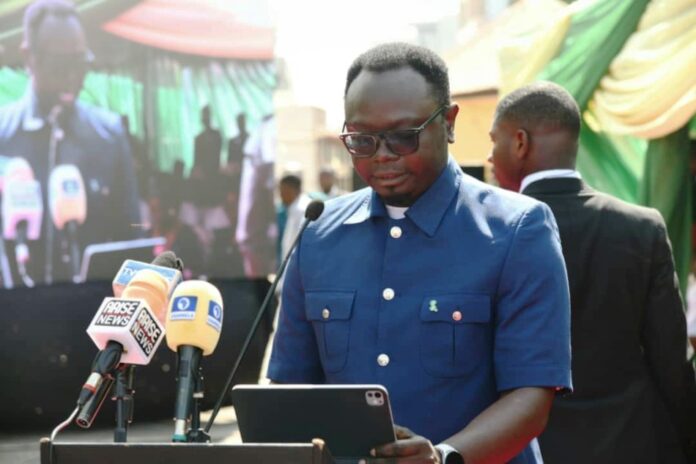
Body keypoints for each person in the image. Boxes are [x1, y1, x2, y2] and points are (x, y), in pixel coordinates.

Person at [267, 43, 572, 464]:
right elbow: (291, 387)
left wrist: (444, 456)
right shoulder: (319, 234)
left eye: (403, 137)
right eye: (362, 140)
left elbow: (533, 395)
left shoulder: (517, 230)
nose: (383, 155)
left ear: (448, 123)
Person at [488, 81, 696, 463]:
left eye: (493, 141)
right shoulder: (642, 227)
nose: (489, 156)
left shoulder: (489, 234)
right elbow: (671, 360)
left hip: (526, 449)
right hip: (631, 445)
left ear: (519, 142)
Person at [0, 0, 140, 285]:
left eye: (80, 63)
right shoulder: (3, 136)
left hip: (94, 319)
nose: (72, 76)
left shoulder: (109, 135)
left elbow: (131, 240)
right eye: (59, 65)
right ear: (29, 57)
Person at [192, 104, 222, 178]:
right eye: (204, 115)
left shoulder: (217, 135)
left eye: (207, 115)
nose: (206, 118)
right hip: (202, 175)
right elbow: (196, 160)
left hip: (214, 173)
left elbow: (217, 154)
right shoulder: (198, 139)